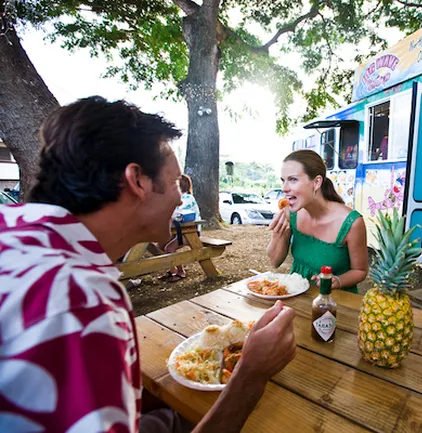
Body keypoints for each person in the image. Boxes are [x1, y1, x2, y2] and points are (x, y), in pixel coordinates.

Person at [0, 96, 296, 433]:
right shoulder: (81, 302)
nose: (178, 197)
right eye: (173, 182)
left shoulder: (12, 230)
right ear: (137, 180)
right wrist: (250, 376)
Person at [266, 149, 368, 293]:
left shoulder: (351, 223)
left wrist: (337, 281)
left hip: (335, 303)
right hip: (297, 296)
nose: (284, 188)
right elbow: (274, 262)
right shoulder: (291, 214)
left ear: (316, 182)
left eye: (293, 180)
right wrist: (278, 233)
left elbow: (360, 271)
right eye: (283, 181)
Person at [161, 174, 201, 281]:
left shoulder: (187, 198)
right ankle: (173, 269)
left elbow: (177, 215)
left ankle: (180, 271)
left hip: (190, 232)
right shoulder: (178, 198)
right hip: (179, 231)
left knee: (169, 248)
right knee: (160, 245)